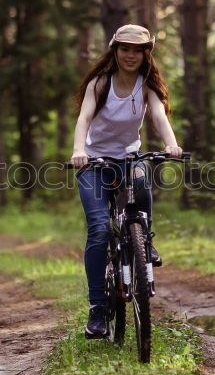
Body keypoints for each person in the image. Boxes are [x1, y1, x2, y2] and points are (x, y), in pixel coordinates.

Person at [69, 24, 182, 339]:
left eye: (138, 50)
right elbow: (84, 119)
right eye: (125, 49)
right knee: (100, 229)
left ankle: (144, 240)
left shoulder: (146, 85)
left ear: (146, 54)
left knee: (141, 179)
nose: (131, 55)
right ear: (114, 51)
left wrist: (171, 144)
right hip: (94, 163)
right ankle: (97, 311)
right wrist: (79, 151)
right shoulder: (99, 84)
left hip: (128, 159)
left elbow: (159, 116)